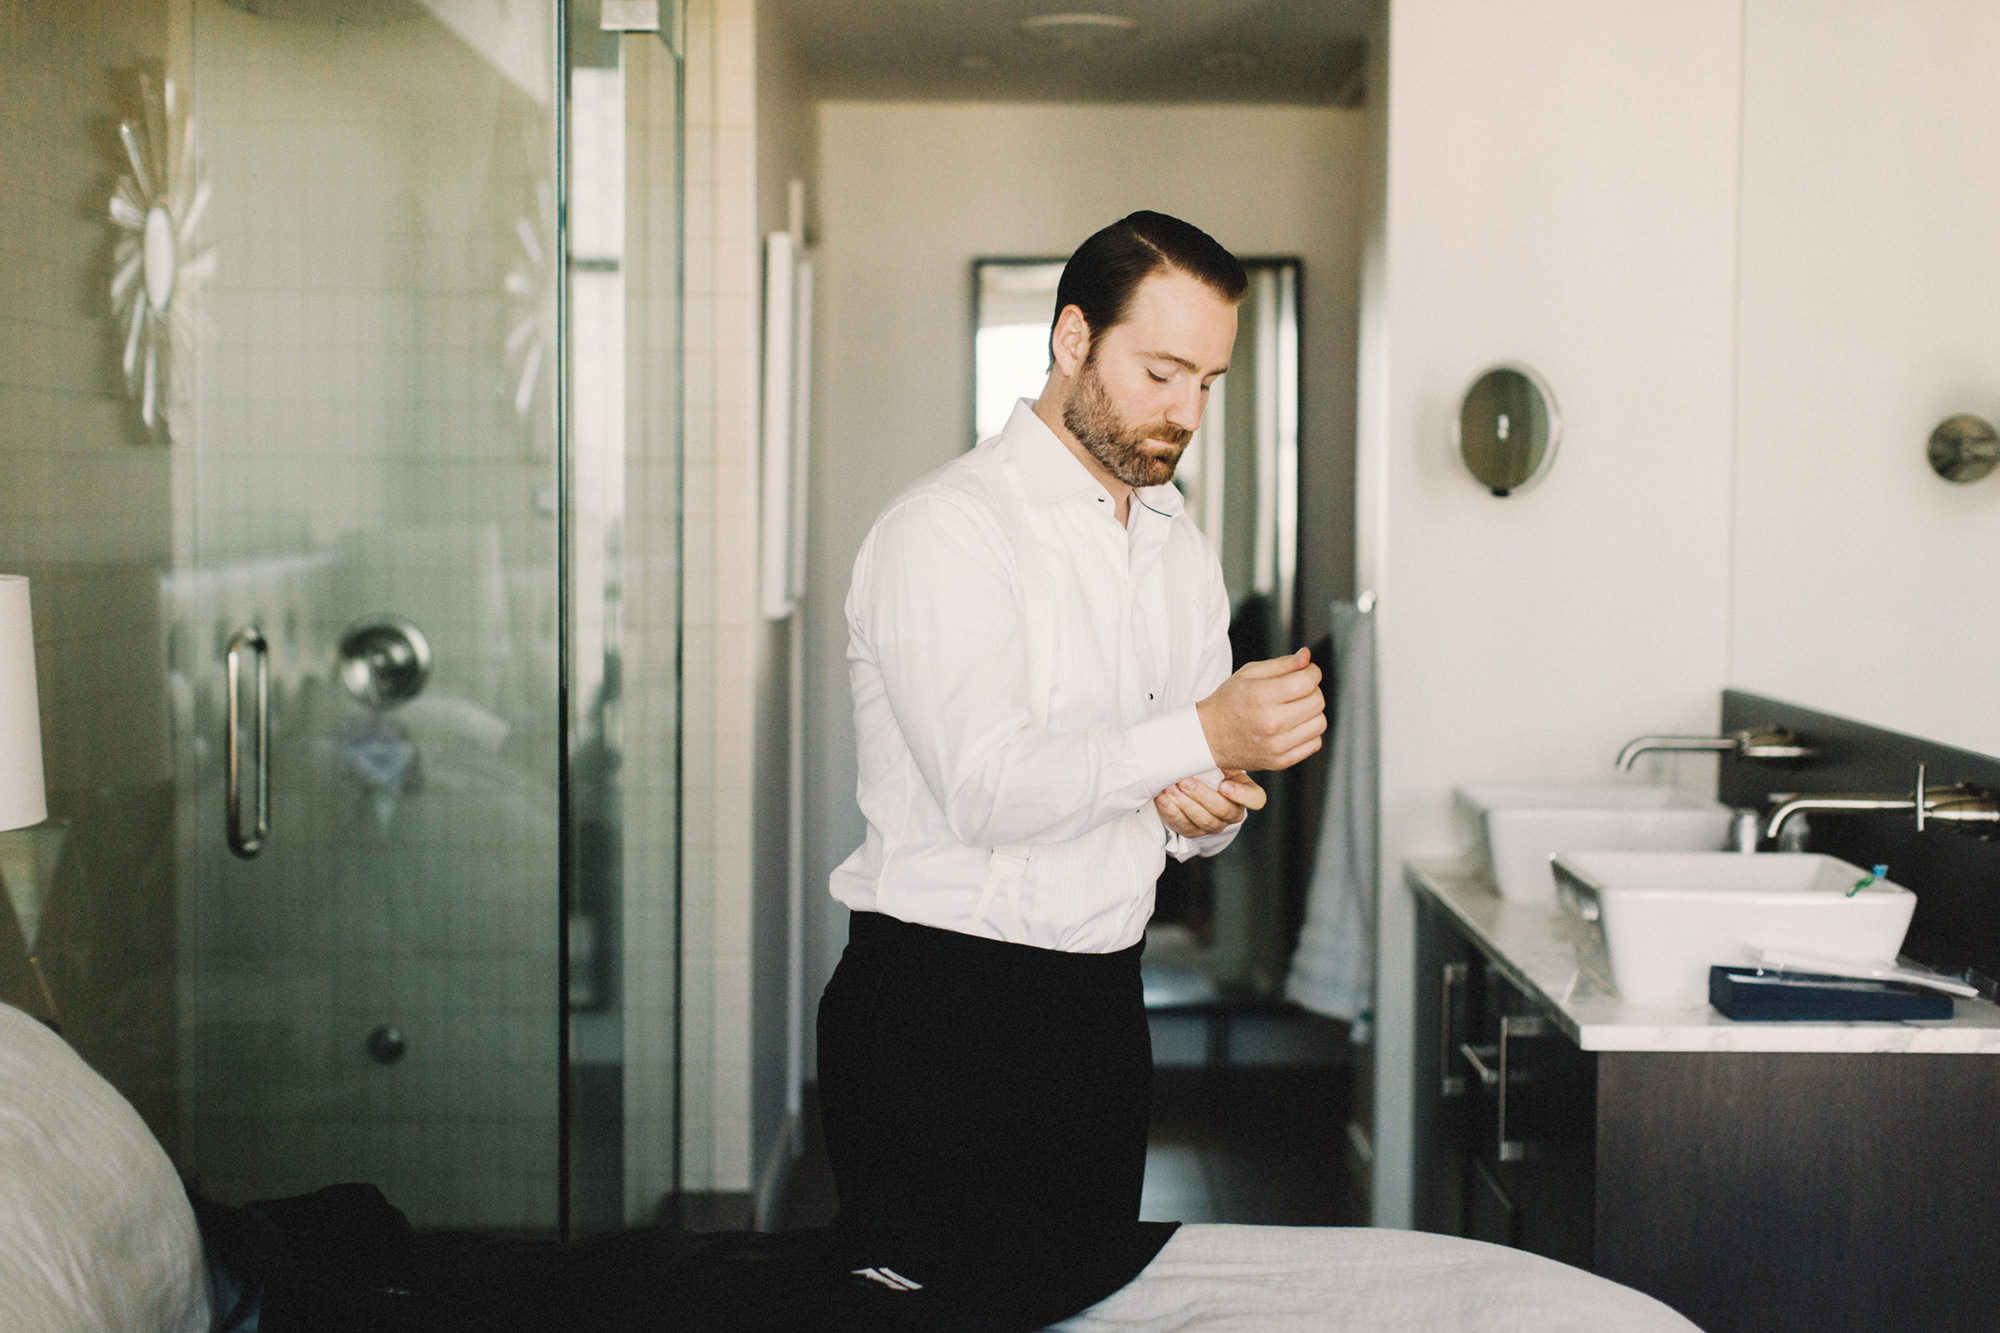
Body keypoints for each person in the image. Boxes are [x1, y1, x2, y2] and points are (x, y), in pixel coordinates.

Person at [816, 211, 1327, 1331]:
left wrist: (1211, 800)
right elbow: (988, 789)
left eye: (1209, 381)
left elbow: (1193, 819)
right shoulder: (945, 531)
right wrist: (1201, 732)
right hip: (933, 1016)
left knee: (1077, 1312)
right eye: (1159, 371)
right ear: (1069, 340)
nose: (1186, 412)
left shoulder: (1177, 550)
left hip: (1099, 1017)